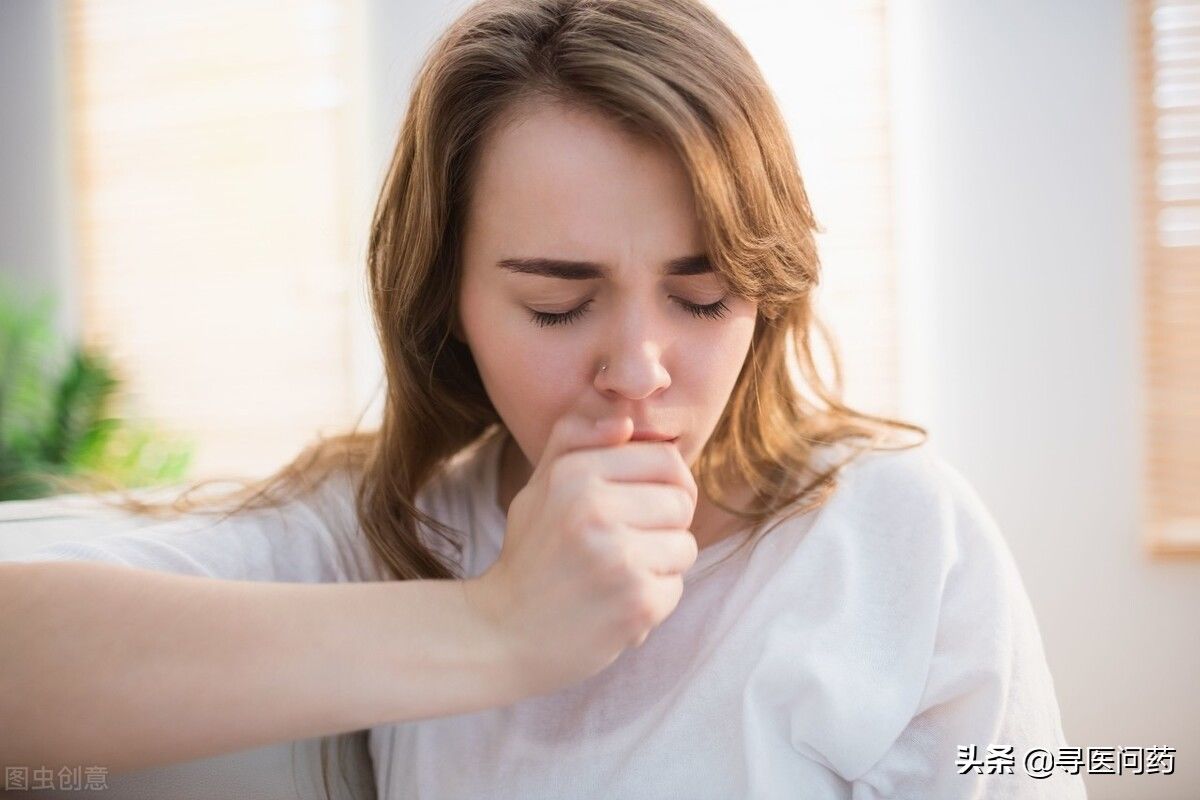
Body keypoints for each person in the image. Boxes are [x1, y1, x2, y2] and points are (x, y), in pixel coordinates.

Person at [0, 0, 1087, 797]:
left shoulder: (898, 532)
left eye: (702, 295)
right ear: (451, 305)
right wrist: (498, 624)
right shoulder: (389, 522)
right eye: (559, 306)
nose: (641, 367)